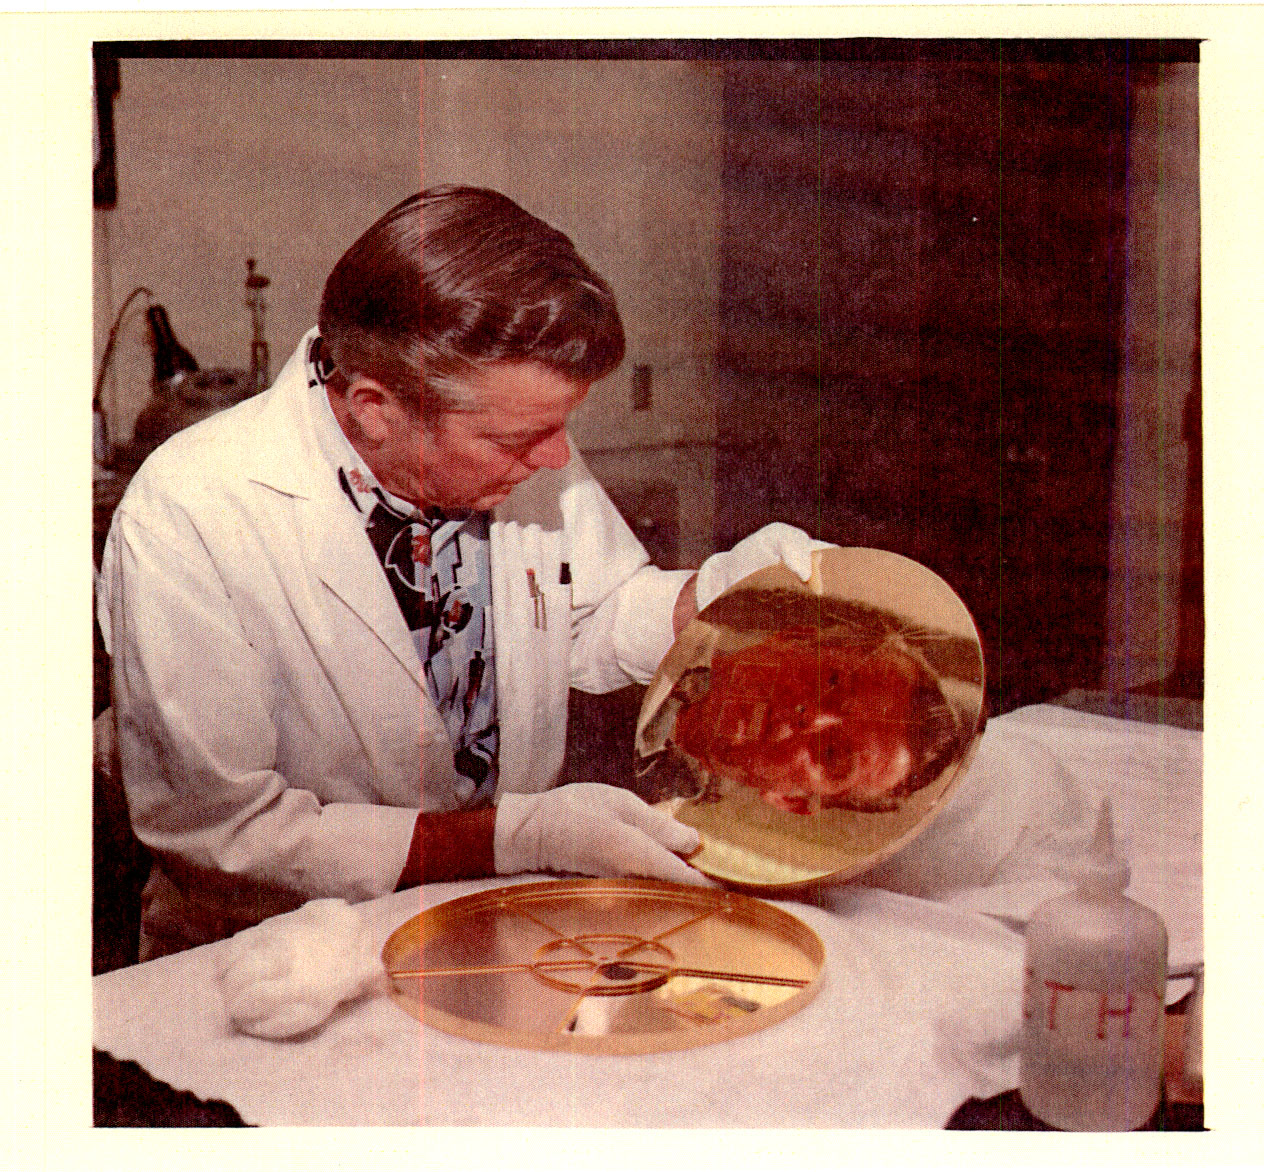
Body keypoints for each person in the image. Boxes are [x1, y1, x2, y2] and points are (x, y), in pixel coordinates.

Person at [98, 186, 828, 958]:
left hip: (494, 930)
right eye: (522, 439)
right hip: (273, 955)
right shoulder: (190, 512)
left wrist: (715, 600)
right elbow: (228, 841)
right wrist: (514, 836)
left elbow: (594, 613)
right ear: (375, 409)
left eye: (558, 430)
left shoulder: (500, 426)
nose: (555, 458)